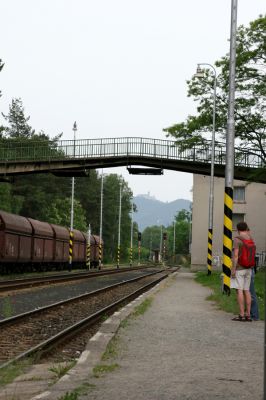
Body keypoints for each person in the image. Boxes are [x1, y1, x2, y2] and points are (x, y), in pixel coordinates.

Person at [231, 222, 256, 322]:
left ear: (237, 229)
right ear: (246, 228)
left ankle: (241, 315)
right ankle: (248, 315)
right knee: (247, 290)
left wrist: (233, 269)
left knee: (240, 290)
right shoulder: (250, 238)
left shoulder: (237, 239)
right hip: (249, 268)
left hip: (240, 268)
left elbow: (236, 255)